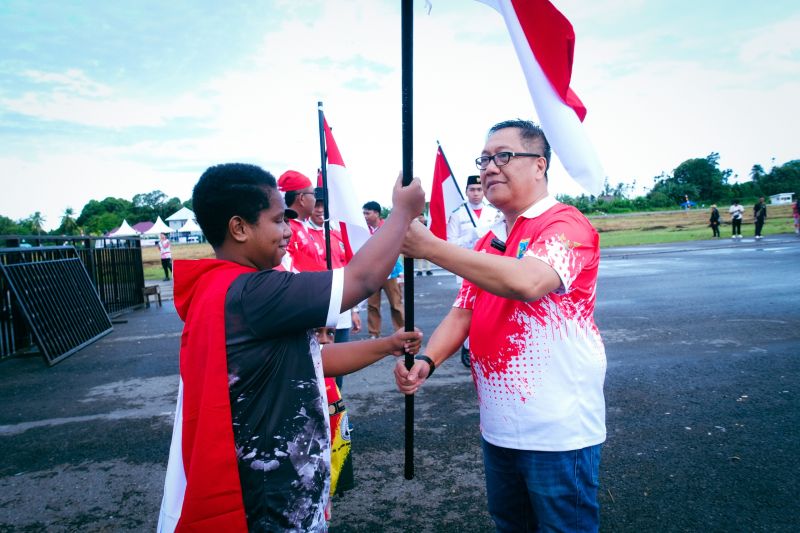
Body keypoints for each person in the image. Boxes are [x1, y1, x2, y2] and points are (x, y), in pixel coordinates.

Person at [157, 163, 424, 532]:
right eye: (278, 220)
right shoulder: (254, 293)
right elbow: (362, 278)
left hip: (278, 487)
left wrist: (386, 345)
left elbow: (313, 361)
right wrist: (403, 212)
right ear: (239, 228)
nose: (287, 231)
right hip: (270, 499)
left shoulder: (225, 288)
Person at [395, 119, 606, 532]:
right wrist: (427, 361)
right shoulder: (490, 239)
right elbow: (463, 313)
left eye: (504, 156)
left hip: (557, 431)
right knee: (511, 524)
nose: (490, 167)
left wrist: (432, 248)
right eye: (485, 158)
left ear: (539, 165)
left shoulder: (564, 225)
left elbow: (528, 281)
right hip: (500, 428)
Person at [308, 198, 362, 388]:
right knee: (317, 365)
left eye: (324, 206)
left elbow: (349, 271)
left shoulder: (337, 235)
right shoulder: (303, 235)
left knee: (339, 366)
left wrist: (355, 309)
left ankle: (337, 410)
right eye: (317, 205)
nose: (320, 210)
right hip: (317, 309)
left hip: (342, 309)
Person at [446, 174, 499, 366]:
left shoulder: (494, 213)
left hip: (490, 266)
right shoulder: (458, 214)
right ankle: (468, 347)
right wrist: (470, 238)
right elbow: (450, 244)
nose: (476, 194)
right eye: (472, 190)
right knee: (468, 309)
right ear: (466, 191)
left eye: (479, 189)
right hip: (466, 268)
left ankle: (483, 344)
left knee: (489, 307)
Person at [362, 201, 405, 338]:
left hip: (390, 273)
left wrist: (401, 273)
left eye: (367, 213)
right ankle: (374, 334)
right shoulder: (363, 230)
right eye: (363, 213)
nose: (365, 216)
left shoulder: (389, 228)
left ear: (376, 213)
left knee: (396, 305)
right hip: (371, 274)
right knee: (372, 305)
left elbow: (398, 249)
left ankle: (402, 331)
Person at [278, 170, 325, 271]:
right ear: (302, 198)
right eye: (313, 194)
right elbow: (287, 269)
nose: (315, 199)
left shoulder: (302, 225)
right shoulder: (288, 230)